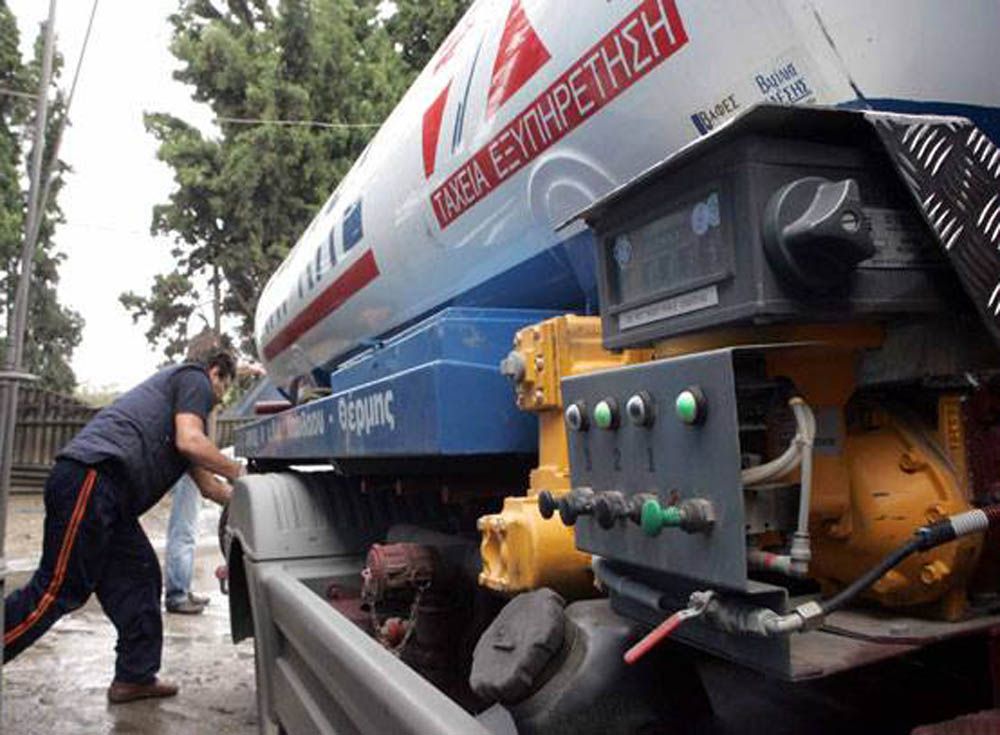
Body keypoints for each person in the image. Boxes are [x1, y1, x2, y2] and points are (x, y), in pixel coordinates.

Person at [3, 351, 244, 703]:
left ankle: (135, 676)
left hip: (112, 501)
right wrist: (241, 472)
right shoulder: (194, 378)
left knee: (140, 578)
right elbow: (191, 441)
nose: (218, 400)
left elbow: (209, 486)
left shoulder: (179, 413)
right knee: (57, 589)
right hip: (92, 477)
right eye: (223, 388)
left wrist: (247, 498)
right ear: (216, 372)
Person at [163, 472, 209, 614]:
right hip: (188, 469)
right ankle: (177, 595)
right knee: (184, 530)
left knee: (185, 528)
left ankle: (182, 590)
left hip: (187, 469)